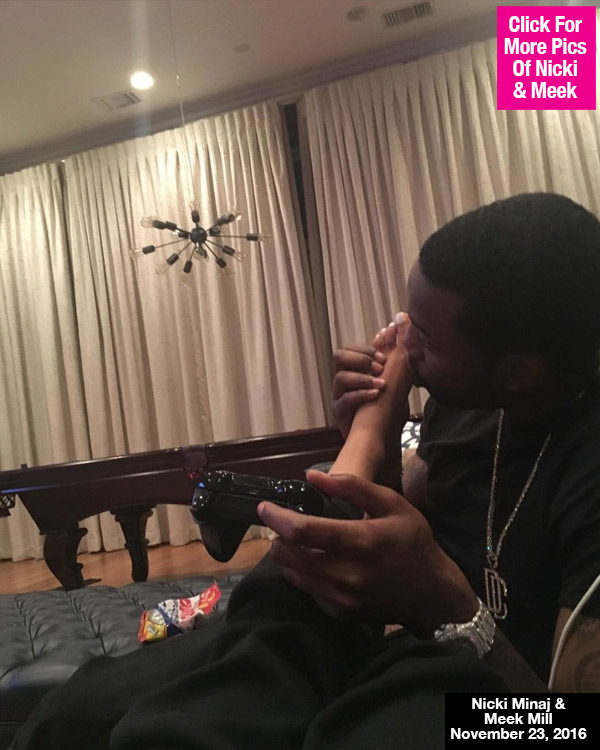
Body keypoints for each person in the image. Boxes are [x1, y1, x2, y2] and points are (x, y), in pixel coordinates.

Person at [11, 193, 600, 750]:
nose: (402, 345)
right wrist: (376, 428)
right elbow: (385, 511)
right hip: (395, 640)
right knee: (78, 712)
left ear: (519, 373)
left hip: (497, 703)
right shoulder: (469, 404)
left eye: (424, 338)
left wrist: (450, 605)